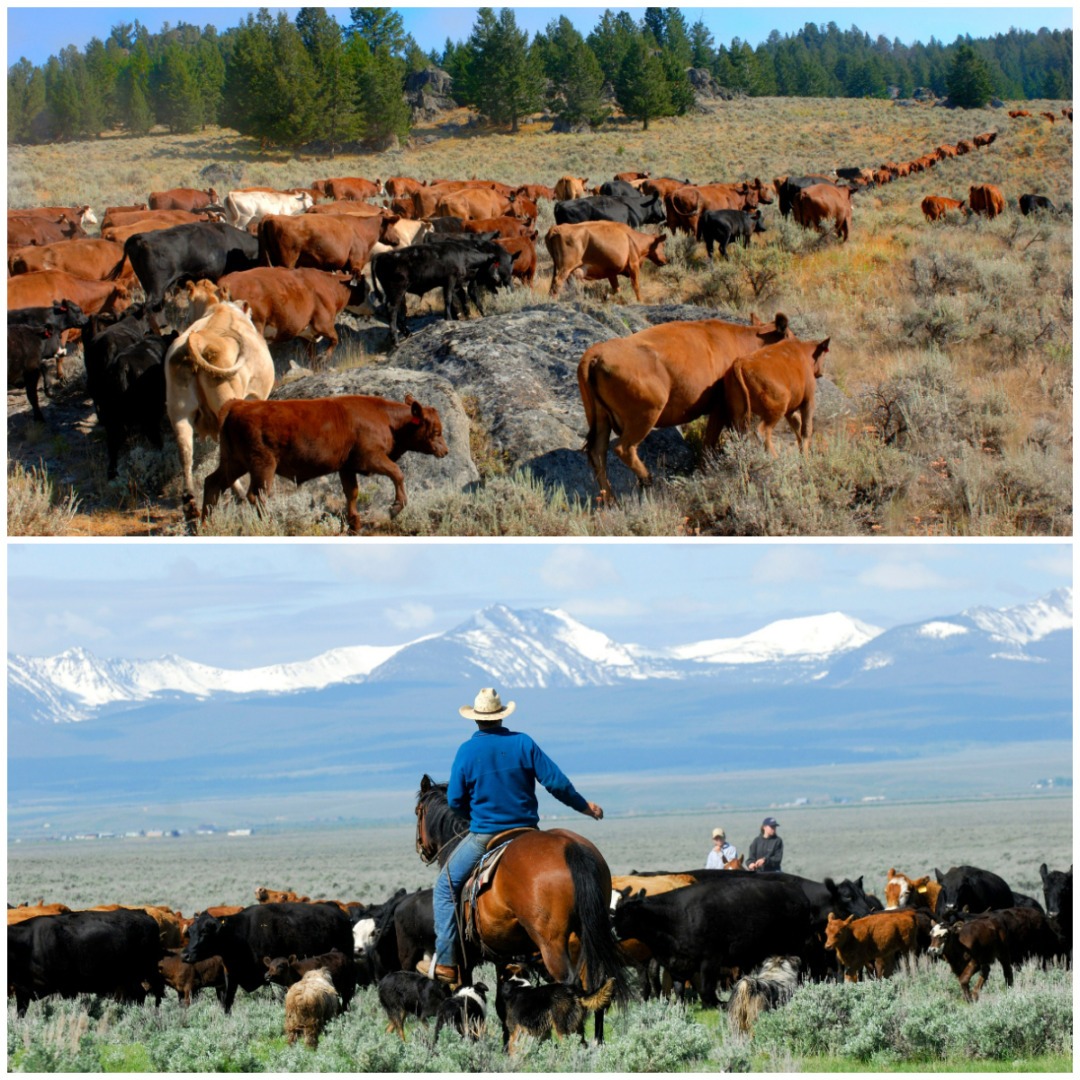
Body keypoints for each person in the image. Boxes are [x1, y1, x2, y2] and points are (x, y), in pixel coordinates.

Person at [421, 687, 604, 984]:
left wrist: (476, 812)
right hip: (527, 831)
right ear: (501, 715)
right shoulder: (523, 742)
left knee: (445, 887)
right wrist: (584, 807)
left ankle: (446, 963)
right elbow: (556, 782)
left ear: (477, 719)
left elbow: (454, 800)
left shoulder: (467, 751)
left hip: (486, 835)